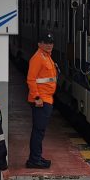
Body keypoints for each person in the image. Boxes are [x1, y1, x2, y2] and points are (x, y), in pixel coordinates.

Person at [26, 31, 57, 168]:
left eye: (51, 42)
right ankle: (34, 160)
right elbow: (31, 79)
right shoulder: (38, 57)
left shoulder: (46, 56)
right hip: (41, 101)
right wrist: (37, 97)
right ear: (40, 44)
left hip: (46, 99)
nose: (49, 45)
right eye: (46, 42)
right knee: (38, 131)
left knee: (40, 131)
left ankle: (37, 157)